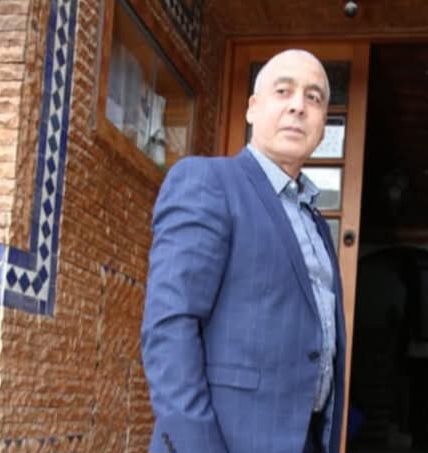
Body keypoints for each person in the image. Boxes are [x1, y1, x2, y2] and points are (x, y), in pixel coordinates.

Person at [141, 49, 345, 453]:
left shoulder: (316, 224)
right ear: (252, 108)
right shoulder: (208, 182)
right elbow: (169, 327)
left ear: (323, 124)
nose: (298, 106)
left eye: (314, 98)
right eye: (283, 91)